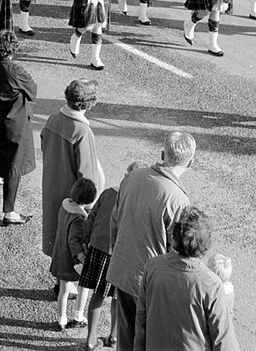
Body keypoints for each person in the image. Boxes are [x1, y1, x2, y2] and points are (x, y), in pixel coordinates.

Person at [107, 132, 196, 351]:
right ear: (191, 162)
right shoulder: (178, 199)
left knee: (125, 336)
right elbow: (176, 251)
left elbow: (114, 223)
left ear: (163, 153)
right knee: (149, 342)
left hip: (122, 269)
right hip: (151, 283)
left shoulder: (133, 177)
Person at [133, 205, 239, 351]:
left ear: (174, 236)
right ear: (205, 245)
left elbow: (141, 323)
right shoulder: (211, 284)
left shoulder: (153, 267)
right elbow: (224, 342)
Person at [77, 163, 141, 351]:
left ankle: (90, 339)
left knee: (97, 295)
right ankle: (114, 337)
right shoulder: (135, 199)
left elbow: (91, 219)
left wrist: (86, 239)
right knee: (117, 298)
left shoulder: (108, 193)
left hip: (98, 249)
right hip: (119, 254)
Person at [40, 79, 106, 263]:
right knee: (73, 241)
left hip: (52, 186)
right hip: (73, 196)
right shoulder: (82, 131)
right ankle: (67, 288)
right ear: (90, 103)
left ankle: (61, 284)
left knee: (56, 235)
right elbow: (88, 176)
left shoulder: (53, 118)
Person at [0, 30, 37, 225]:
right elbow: (32, 91)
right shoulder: (15, 70)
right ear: (13, 49)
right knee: (13, 166)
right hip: (14, 124)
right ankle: (9, 211)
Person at [51, 177, 98, 332]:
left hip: (60, 253)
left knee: (63, 290)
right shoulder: (79, 217)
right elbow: (74, 241)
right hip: (71, 259)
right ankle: (78, 316)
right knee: (84, 286)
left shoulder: (65, 206)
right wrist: (81, 257)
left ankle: (61, 319)